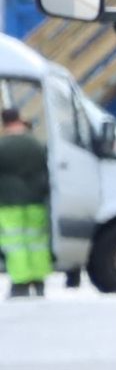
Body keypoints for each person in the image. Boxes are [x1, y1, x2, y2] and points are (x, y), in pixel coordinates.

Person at [0, 110, 50, 298]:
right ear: (19, 119)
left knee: (15, 243)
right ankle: (39, 282)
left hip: (8, 202)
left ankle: (20, 283)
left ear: (4, 123)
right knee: (37, 241)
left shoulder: (2, 146)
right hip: (36, 200)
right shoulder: (36, 144)